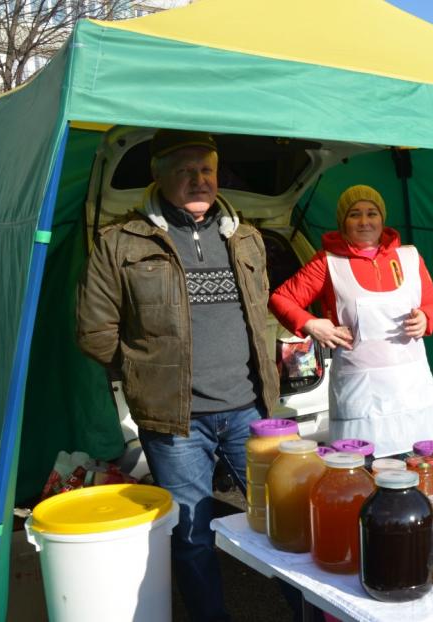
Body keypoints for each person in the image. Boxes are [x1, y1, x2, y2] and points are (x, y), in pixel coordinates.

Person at [76, 129, 278, 621]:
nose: (199, 180)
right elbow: (94, 330)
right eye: (185, 170)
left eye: (206, 169)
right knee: (191, 536)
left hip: (249, 409)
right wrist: (147, 372)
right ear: (158, 174)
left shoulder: (247, 236)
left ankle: (308, 608)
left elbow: (262, 313)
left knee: (280, 522)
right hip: (176, 421)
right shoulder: (119, 242)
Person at [270, 184, 433, 456]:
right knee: (361, 474)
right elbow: (281, 299)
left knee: (420, 469)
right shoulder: (327, 263)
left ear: (382, 218)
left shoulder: (409, 258)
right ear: (343, 222)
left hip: (412, 391)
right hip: (360, 395)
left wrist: (427, 317)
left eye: (372, 213)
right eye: (354, 214)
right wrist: (311, 324)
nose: (364, 221)